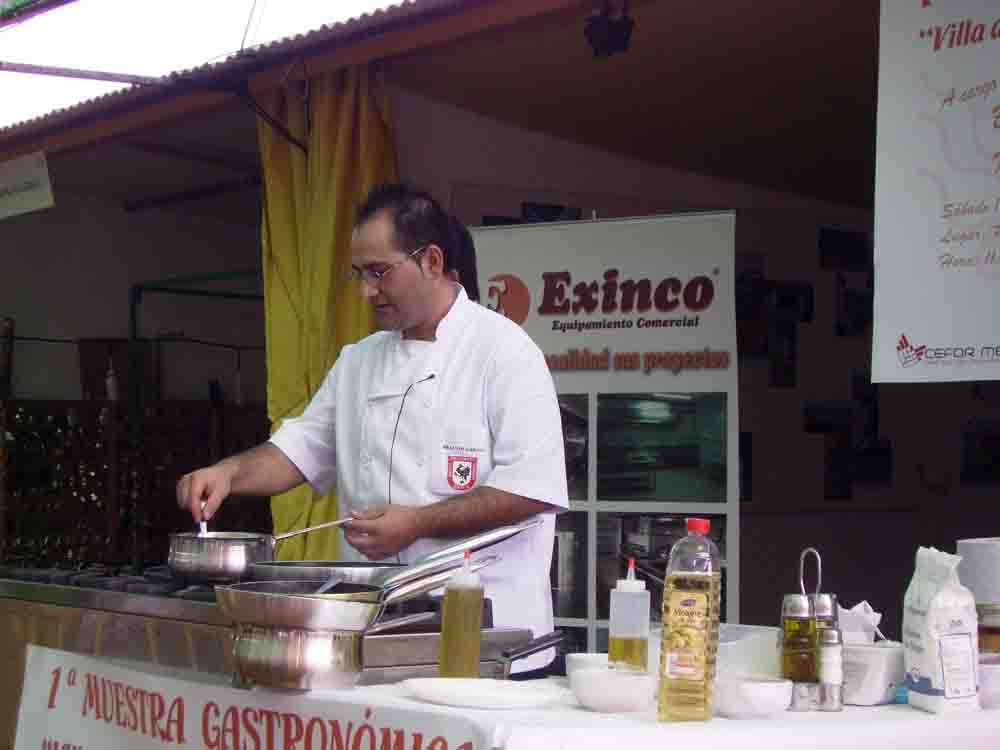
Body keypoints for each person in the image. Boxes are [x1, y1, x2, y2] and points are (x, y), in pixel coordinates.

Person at [176, 183, 568, 674]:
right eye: (359, 274)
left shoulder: (505, 353)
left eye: (380, 272)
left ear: (430, 261)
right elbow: (299, 450)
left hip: (494, 643)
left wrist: (417, 523)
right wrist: (231, 473)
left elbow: (530, 490)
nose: (366, 290)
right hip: (379, 638)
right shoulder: (358, 362)